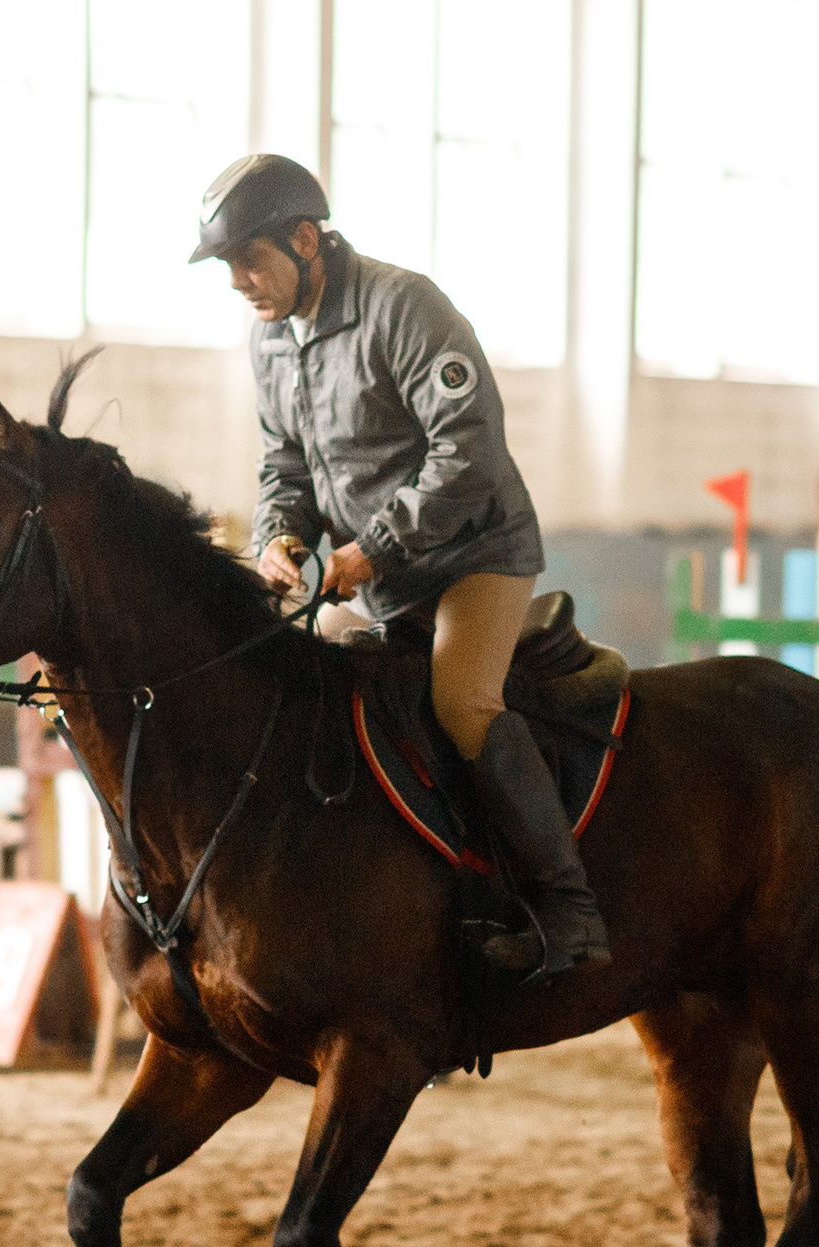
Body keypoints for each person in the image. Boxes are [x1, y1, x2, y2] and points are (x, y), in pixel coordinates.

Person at [190, 155, 610, 981]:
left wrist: (370, 548)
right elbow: (284, 464)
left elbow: (469, 451)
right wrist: (281, 536)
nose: (239, 281)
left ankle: (569, 911)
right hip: (369, 576)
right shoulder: (269, 340)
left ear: (305, 239)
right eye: (229, 266)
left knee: (461, 704)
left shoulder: (403, 307)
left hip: (474, 556)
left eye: (249, 259)